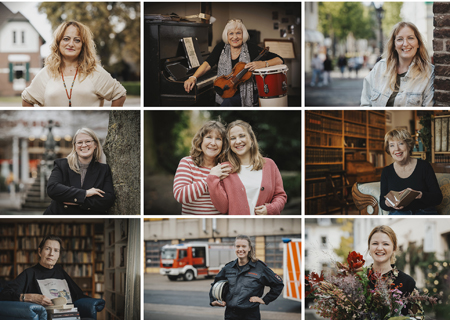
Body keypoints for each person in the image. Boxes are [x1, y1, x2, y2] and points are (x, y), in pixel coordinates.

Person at [22, 21, 126, 107]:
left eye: (77, 40)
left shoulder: (94, 72)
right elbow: (27, 99)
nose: (71, 44)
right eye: (66, 39)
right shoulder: (47, 73)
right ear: (58, 43)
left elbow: (119, 94)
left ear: (83, 45)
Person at [183, 19, 284, 106]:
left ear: (243, 34)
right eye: (231, 33)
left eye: (238, 33)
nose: (235, 37)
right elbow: (208, 64)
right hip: (226, 89)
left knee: (228, 103)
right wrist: (193, 77)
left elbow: (279, 59)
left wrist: (263, 64)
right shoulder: (221, 47)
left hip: (246, 93)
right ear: (227, 35)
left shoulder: (251, 48)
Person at [207, 120, 287, 215]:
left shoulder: (269, 165)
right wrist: (212, 179)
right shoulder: (224, 169)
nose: (238, 141)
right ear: (229, 144)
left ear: (252, 139)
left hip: (266, 226)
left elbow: (280, 196)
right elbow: (223, 208)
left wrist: (270, 209)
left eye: (242, 136)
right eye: (232, 138)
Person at [209, 235, 284, 320]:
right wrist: (213, 300)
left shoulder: (260, 268)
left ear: (249, 248)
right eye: (238, 246)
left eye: (244, 246)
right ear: (235, 248)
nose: (240, 249)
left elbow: (278, 284)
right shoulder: (228, 268)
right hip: (231, 314)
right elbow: (215, 284)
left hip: (250, 315)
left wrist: (264, 300)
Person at [44, 128, 115, 214]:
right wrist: (85, 193)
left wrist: (76, 201)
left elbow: (107, 199)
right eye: (80, 142)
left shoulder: (104, 169)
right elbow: (52, 189)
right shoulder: (62, 165)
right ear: (75, 146)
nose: (84, 145)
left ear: (95, 144)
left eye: (88, 141)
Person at [361, 21, 434, 106]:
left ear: (418, 43)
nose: (405, 44)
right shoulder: (379, 68)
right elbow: (365, 104)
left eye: (410, 38)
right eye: (399, 39)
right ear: (394, 45)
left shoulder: (429, 73)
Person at [0, 235, 87, 305]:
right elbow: (4, 294)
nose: (51, 254)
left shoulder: (60, 272)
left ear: (59, 255)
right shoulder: (29, 273)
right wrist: (30, 297)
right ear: (39, 252)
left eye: (56, 250)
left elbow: (78, 294)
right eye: (47, 249)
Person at [173, 120, 231, 214]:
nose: (213, 143)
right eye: (209, 137)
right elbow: (181, 196)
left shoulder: (225, 168)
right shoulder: (187, 163)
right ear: (201, 140)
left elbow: (226, 207)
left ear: (224, 144)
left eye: (218, 139)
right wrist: (210, 178)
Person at [380, 128, 442, 215]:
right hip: (399, 213)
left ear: (409, 146)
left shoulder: (424, 166)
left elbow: (438, 198)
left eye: (401, 143)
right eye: (392, 145)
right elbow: (382, 203)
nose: (397, 149)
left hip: (424, 212)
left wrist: (419, 194)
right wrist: (388, 203)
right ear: (389, 150)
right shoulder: (386, 171)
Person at [366, 225, 424, 318]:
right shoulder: (358, 279)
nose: (380, 248)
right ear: (369, 247)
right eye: (375, 243)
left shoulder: (407, 282)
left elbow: (418, 317)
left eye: (385, 244)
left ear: (394, 248)